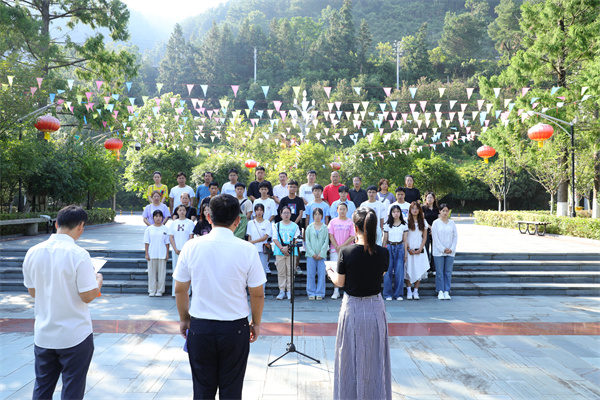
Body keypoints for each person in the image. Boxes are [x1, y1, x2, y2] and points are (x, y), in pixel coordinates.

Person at [173, 194, 266, 399]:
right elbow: (257, 294)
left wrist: (184, 318)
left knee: (202, 390)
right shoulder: (248, 249)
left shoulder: (191, 246)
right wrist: (256, 323)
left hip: (200, 327)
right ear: (238, 220)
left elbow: (180, 289)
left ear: (208, 217)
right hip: (235, 328)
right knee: (232, 390)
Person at [22, 205, 103, 400]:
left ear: (57, 224)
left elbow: (33, 292)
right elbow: (87, 296)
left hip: (44, 333)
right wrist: (98, 281)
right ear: (81, 226)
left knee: (42, 387)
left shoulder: (32, 252)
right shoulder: (79, 255)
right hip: (74, 335)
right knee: (72, 389)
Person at [326, 208, 391, 400]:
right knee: (376, 359)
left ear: (355, 228)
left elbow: (340, 282)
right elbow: (380, 275)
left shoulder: (346, 252)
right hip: (375, 308)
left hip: (352, 308)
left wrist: (329, 272)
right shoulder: (383, 253)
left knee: (349, 359)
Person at [328, 202, 356, 300]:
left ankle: (346, 291)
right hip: (334, 249)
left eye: (344, 209)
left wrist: (342, 246)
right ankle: (336, 291)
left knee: (348, 270)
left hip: (348, 250)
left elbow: (352, 236)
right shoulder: (333, 222)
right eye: (340, 209)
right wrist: (336, 246)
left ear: (347, 210)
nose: (342, 211)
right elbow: (330, 235)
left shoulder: (351, 222)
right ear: (337, 210)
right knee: (335, 269)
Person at [272, 206, 301, 300]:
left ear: (291, 214)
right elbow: (275, 238)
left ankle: (289, 291)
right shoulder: (276, 225)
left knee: (290, 272)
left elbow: (296, 238)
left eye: (288, 213)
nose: (286, 215)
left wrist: (288, 248)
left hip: (291, 252)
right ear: (281, 214)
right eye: (284, 213)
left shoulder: (295, 226)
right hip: (279, 252)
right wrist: (282, 248)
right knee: (281, 272)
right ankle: (281, 291)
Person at [431, 204, 458, 300]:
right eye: (443, 211)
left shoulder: (452, 223)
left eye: (447, 211)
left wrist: (451, 248)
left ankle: (447, 290)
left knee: (448, 272)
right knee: (439, 272)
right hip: (438, 252)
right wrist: (443, 249)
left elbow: (455, 237)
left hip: (450, 252)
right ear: (440, 211)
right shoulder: (436, 223)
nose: (445, 213)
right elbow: (435, 238)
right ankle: (440, 291)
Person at [382, 205, 408, 301]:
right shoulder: (387, 225)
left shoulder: (404, 225)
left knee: (399, 272)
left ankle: (398, 294)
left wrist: (405, 254)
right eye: (394, 212)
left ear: (400, 213)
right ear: (391, 213)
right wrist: (382, 252)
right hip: (389, 247)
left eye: (398, 211)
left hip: (400, 247)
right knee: (387, 272)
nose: (396, 214)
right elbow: (385, 240)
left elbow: (405, 240)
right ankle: (387, 294)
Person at [404, 201, 428, 300]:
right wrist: (408, 248)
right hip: (408, 246)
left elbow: (425, 237)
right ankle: (409, 291)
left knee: (418, 268)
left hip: (419, 246)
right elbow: (404, 236)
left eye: (417, 208)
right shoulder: (405, 220)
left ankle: (416, 291)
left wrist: (421, 248)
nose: (415, 210)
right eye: (413, 208)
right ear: (410, 210)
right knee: (408, 268)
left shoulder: (423, 221)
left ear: (419, 210)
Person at [169, 205, 195, 297]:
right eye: (180, 210)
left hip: (186, 251)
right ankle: (175, 291)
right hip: (176, 250)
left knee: (187, 270)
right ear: (177, 212)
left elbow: (191, 236)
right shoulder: (173, 223)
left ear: (186, 211)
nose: (182, 212)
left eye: (184, 210)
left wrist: (185, 249)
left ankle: (187, 292)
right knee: (176, 270)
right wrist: (175, 248)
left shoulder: (190, 223)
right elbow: (171, 237)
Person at [144, 209, 170, 297]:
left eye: (160, 216)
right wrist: (146, 253)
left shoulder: (165, 228)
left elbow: (167, 243)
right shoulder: (149, 229)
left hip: (162, 253)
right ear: (153, 217)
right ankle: (152, 290)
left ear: (162, 217)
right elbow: (146, 242)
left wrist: (167, 253)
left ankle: (160, 290)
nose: (158, 218)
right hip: (152, 253)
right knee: (151, 274)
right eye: (156, 216)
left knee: (162, 274)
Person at [305, 208, 329, 300]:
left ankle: (320, 293)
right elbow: (307, 241)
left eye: (319, 214)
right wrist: (312, 253)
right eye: (316, 214)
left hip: (321, 255)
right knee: (310, 274)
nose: (317, 216)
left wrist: (321, 253)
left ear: (322, 216)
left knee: (321, 274)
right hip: (311, 255)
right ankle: (311, 292)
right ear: (313, 216)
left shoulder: (325, 227)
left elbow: (326, 241)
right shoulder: (309, 227)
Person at [247, 203, 273, 276]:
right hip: (253, 249)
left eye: (261, 210)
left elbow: (265, 237)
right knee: (252, 270)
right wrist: (250, 243)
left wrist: (253, 241)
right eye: (257, 210)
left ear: (263, 211)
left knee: (262, 269)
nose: (259, 212)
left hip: (263, 249)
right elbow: (249, 236)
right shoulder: (251, 223)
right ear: (254, 211)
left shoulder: (267, 223)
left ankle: (263, 284)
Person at [422, 191, 440, 271]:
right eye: (428, 197)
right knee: (425, 248)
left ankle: (433, 266)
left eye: (431, 197)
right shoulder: (423, 208)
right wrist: (430, 227)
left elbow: (439, 219)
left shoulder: (437, 209)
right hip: (425, 230)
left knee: (434, 248)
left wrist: (434, 228)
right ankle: (426, 266)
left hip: (435, 231)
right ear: (426, 198)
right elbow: (422, 219)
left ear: (434, 199)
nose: (429, 199)